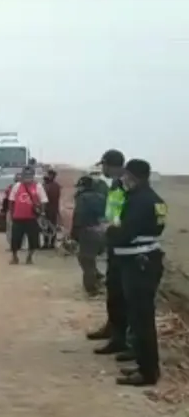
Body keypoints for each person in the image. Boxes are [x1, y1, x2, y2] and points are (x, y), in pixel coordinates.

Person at [108, 158, 166, 387]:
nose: (123, 180)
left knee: (142, 320)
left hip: (139, 264)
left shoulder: (141, 201)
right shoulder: (153, 199)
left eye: (126, 176)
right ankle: (144, 364)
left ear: (133, 176)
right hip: (143, 261)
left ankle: (148, 372)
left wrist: (109, 231)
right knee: (138, 316)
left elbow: (124, 233)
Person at [87, 149, 131, 351]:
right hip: (113, 242)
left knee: (121, 294)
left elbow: (128, 216)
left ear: (112, 165)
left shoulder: (127, 185)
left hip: (125, 247)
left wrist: (112, 228)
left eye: (104, 165)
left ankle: (121, 337)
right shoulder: (115, 184)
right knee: (113, 291)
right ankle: (112, 328)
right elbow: (114, 212)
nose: (102, 168)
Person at [71, 175, 108, 297]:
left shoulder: (82, 198)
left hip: (88, 231)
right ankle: (98, 278)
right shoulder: (102, 197)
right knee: (90, 259)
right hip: (102, 230)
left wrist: (74, 233)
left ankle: (91, 289)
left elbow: (78, 215)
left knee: (86, 260)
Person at [6, 166, 49, 265]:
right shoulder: (16, 186)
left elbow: (43, 201)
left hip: (32, 219)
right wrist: (12, 214)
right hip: (18, 218)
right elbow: (11, 201)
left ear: (33, 176)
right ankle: (15, 257)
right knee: (15, 239)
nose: (27, 178)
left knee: (33, 240)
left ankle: (29, 257)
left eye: (30, 175)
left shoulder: (38, 186)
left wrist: (42, 213)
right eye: (26, 175)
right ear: (22, 176)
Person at [42, 169, 62, 249]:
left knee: (51, 227)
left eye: (51, 175)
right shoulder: (50, 185)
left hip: (51, 209)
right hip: (48, 209)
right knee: (47, 227)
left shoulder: (53, 186)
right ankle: (47, 243)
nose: (50, 176)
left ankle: (51, 243)